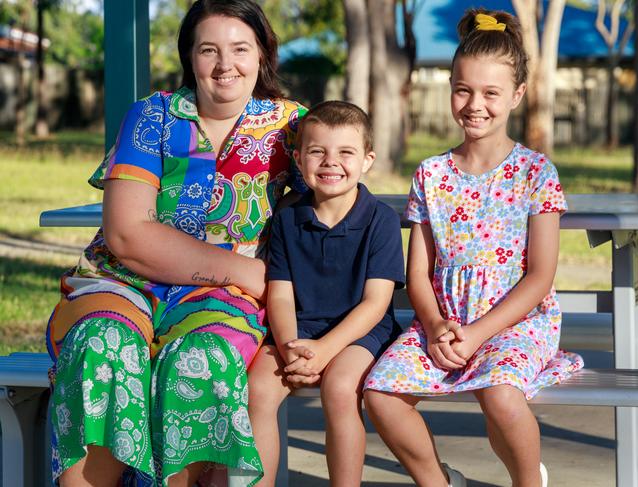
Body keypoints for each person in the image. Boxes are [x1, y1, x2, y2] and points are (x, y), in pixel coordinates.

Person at [45, 1, 307, 486]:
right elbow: (128, 236)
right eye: (209, 50)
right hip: (122, 282)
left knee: (202, 358)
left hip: (223, 302)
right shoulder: (153, 117)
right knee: (104, 348)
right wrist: (243, 270)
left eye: (240, 49)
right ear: (190, 57)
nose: (225, 65)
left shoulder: (292, 127)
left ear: (263, 54)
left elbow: (337, 209)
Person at [363, 9, 584, 487]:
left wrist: (481, 332)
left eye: (490, 93)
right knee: (379, 392)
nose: (474, 104)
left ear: (517, 96)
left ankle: (528, 480)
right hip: (444, 325)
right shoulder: (431, 175)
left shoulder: (535, 173)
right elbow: (418, 274)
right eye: (463, 89)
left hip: (516, 322)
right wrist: (439, 324)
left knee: (500, 394)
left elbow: (540, 277)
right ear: (449, 88)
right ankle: (438, 482)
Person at [246, 100, 405, 487]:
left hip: (361, 333)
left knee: (338, 389)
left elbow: (376, 304)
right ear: (299, 160)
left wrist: (324, 349)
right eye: (317, 152)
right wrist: (288, 346)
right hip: (298, 331)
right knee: (257, 389)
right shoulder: (286, 219)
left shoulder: (380, 219)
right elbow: (280, 295)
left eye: (345, 153)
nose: (331, 163)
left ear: (367, 159)